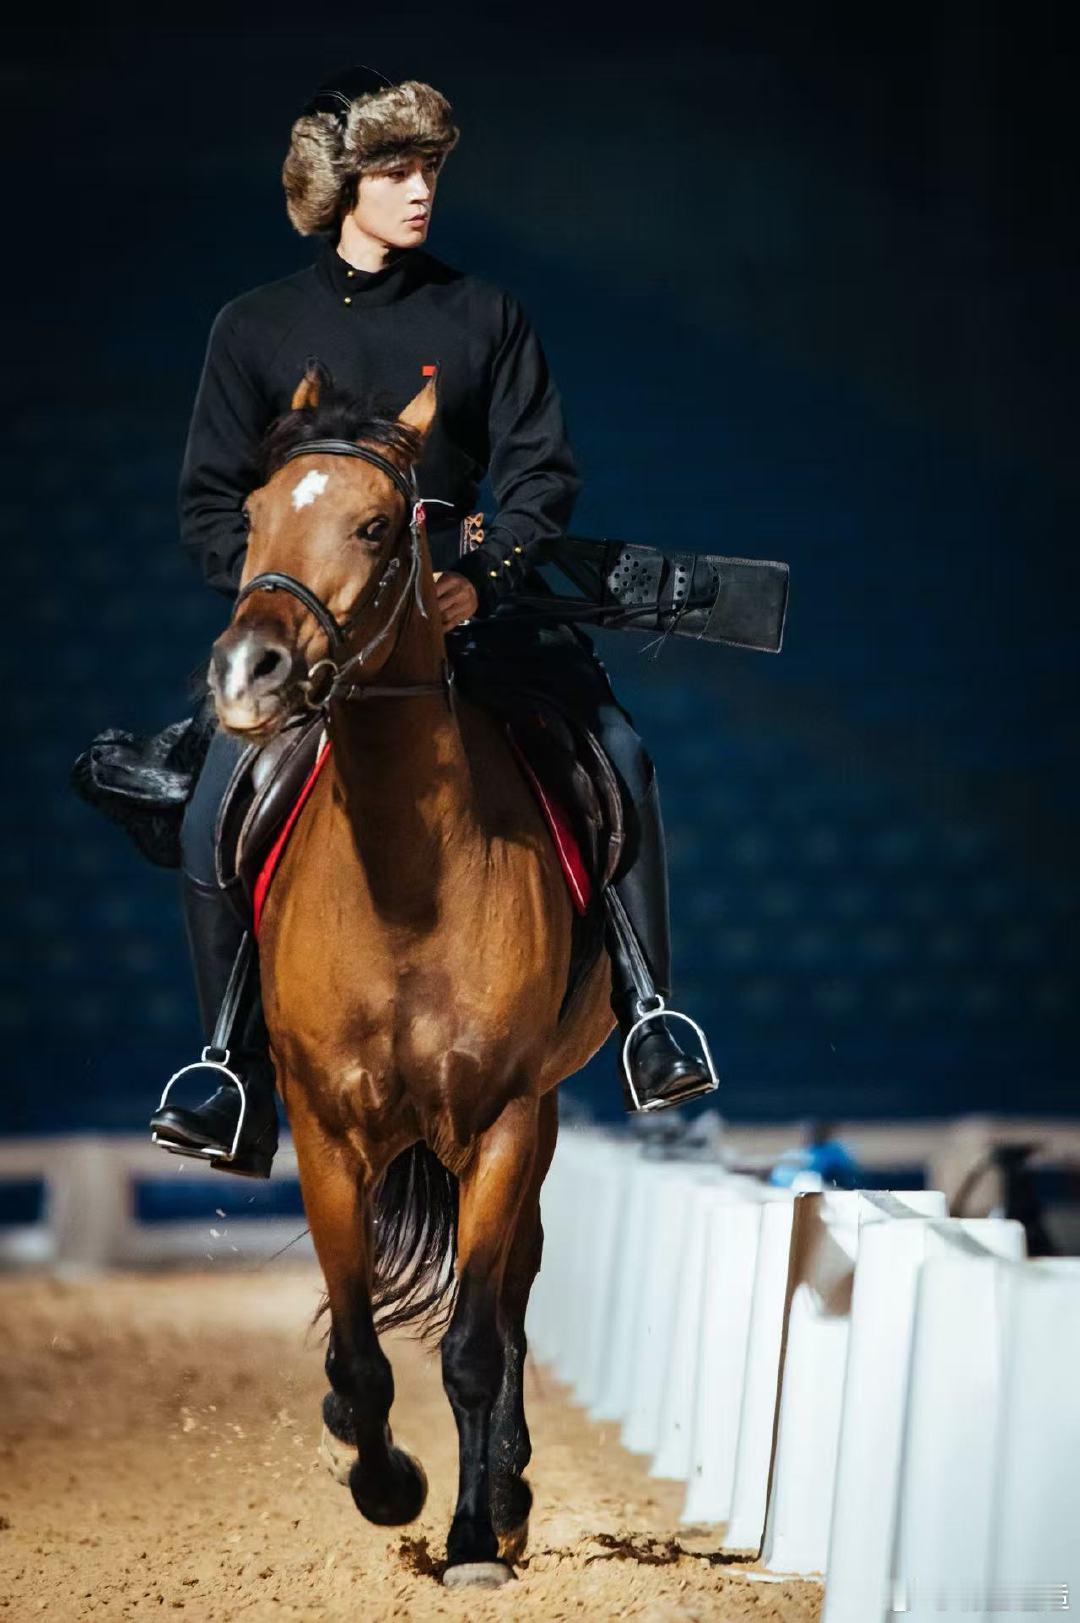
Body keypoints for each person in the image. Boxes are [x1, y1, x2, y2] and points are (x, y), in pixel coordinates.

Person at [150, 66, 717, 1177]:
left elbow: (542, 477)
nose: (422, 191)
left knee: (622, 753)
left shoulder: (483, 314)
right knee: (213, 804)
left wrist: (482, 579)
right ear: (338, 183)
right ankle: (228, 1065)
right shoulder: (253, 327)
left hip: (474, 615)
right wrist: (287, 604)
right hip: (321, 643)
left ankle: (652, 1013)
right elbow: (211, 505)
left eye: (430, 170)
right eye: (396, 171)